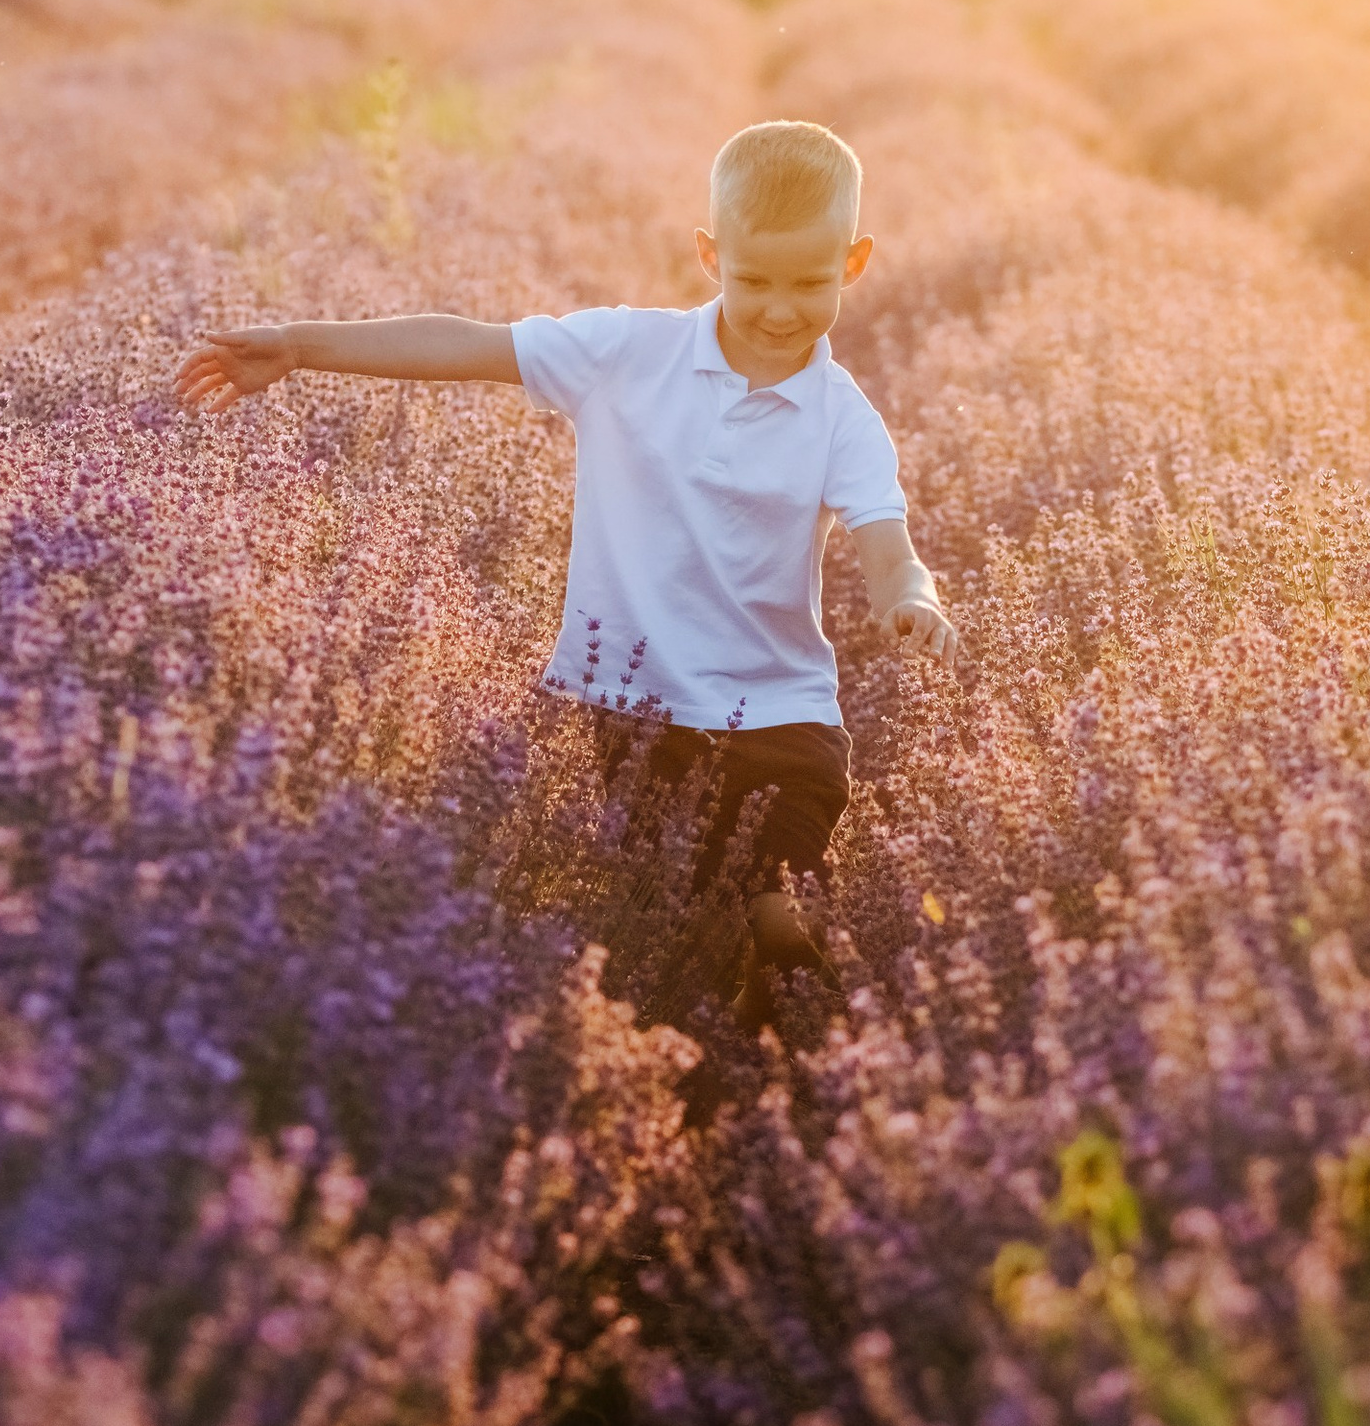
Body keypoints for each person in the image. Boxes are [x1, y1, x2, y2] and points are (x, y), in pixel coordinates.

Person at [173, 120, 959, 1035]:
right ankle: (740, 1081)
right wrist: (303, 346)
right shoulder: (627, 354)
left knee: (768, 903)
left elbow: (887, 542)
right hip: (637, 717)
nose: (782, 308)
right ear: (710, 256)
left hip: (784, 722)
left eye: (810, 283)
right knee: (680, 920)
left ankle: (814, 1054)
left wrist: (911, 597)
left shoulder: (842, 417)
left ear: (854, 263)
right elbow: (468, 346)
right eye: (755, 280)